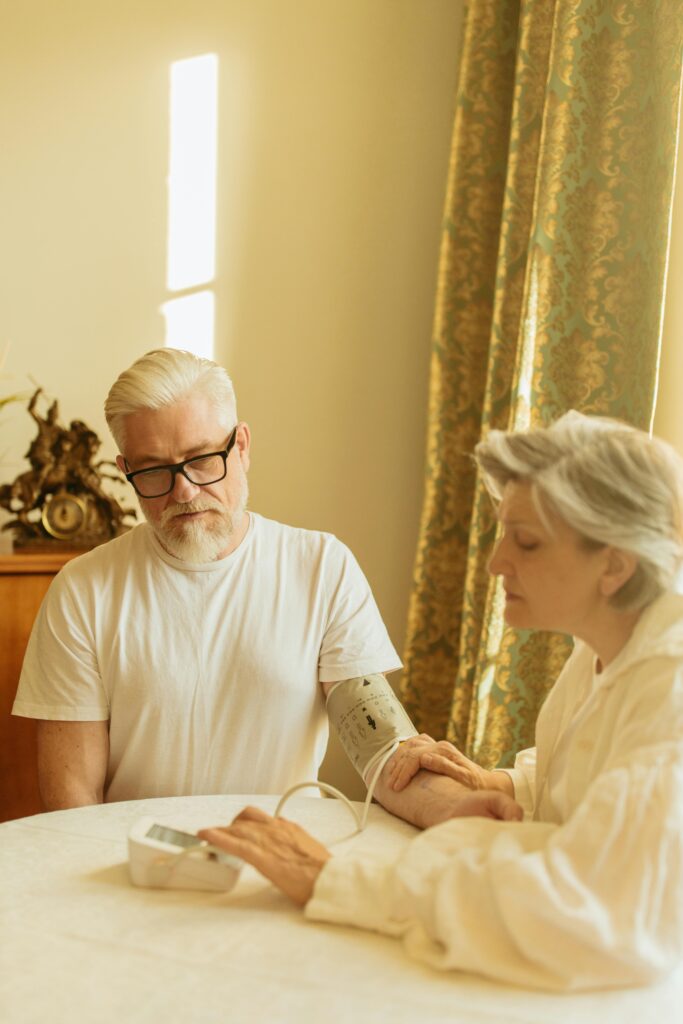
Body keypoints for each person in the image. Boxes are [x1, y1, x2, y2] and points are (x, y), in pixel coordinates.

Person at [197, 411, 683, 991]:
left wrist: (334, 878)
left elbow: (586, 916)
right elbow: (599, 772)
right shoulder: (608, 646)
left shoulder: (671, 692)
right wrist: (504, 785)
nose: (496, 562)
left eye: (525, 542)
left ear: (615, 564)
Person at [12, 347, 519, 829]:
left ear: (243, 446)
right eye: (153, 471)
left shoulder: (322, 567)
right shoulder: (83, 590)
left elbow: (381, 749)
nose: (184, 491)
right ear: (125, 471)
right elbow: (71, 802)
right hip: (135, 864)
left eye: (203, 458)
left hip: (280, 858)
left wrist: (460, 809)